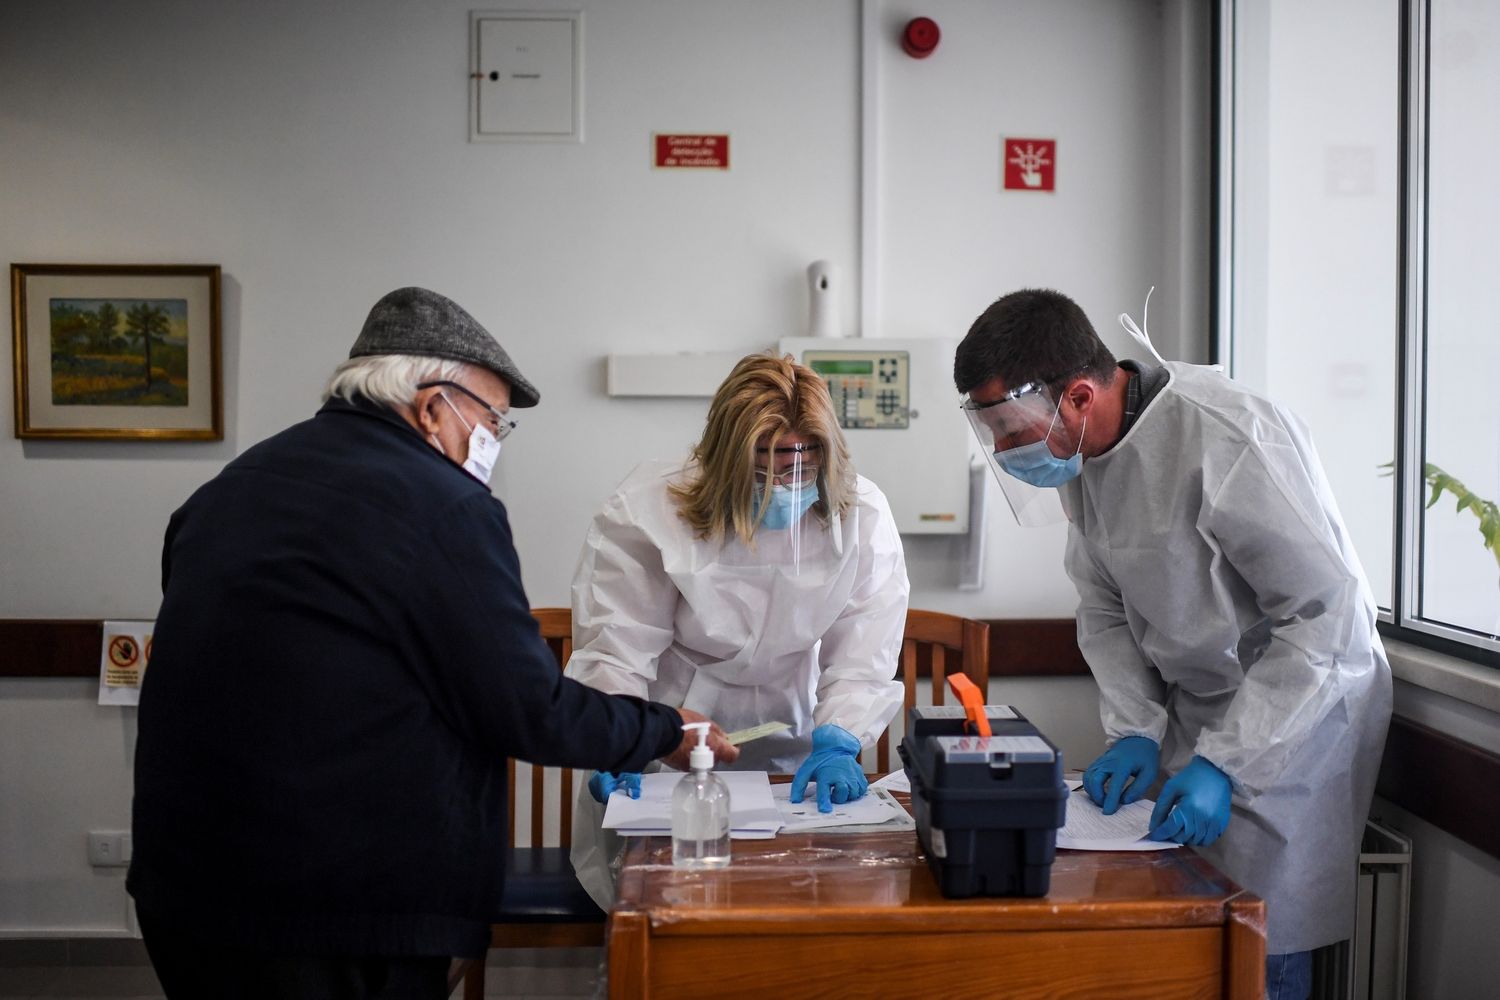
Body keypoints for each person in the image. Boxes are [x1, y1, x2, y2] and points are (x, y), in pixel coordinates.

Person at [127, 286, 732, 1000]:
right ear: (432, 405)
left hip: (186, 890)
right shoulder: (443, 506)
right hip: (340, 908)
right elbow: (524, 707)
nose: (491, 443)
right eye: (491, 420)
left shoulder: (232, 487)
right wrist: (661, 729)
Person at [953, 288, 1391, 1000]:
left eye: (1011, 430)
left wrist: (1228, 762)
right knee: (1184, 936)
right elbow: (1105, 609)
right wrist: (1135, 730)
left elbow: (1327, 619)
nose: (1004, 451)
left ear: (1080, 396)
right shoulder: (1090, 457)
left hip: (1295, 723)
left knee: (1261, 948)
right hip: (1199, 712)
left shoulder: (1227, 436)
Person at [566, 352, 910, 907]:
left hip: (796, 749)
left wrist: (843, 736)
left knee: (792, 910)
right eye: (763, 468)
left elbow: (865, 646)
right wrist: (620, 734)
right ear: (724, 459)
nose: (784, 485)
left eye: (800, 467)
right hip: (667, 743)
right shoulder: (649, 510)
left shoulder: (860, 515)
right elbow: (617, 646)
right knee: (667, 916)